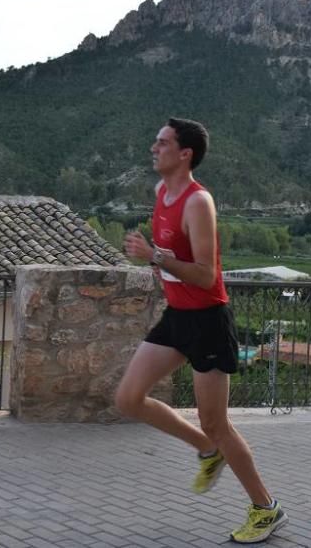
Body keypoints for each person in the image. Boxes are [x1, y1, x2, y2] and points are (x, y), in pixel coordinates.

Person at [116, 118, 287, 543]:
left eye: (162, 143)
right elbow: (174, 264)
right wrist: (157, 260)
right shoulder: (161, 193)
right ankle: (207, 451)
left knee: (217, 422)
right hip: (176, 318)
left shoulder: (198, 202)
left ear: (185, 152)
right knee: (128, 399)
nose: (153, 148)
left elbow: (207, 274)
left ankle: (266, 509)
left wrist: (153, 256)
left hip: (208, 320)